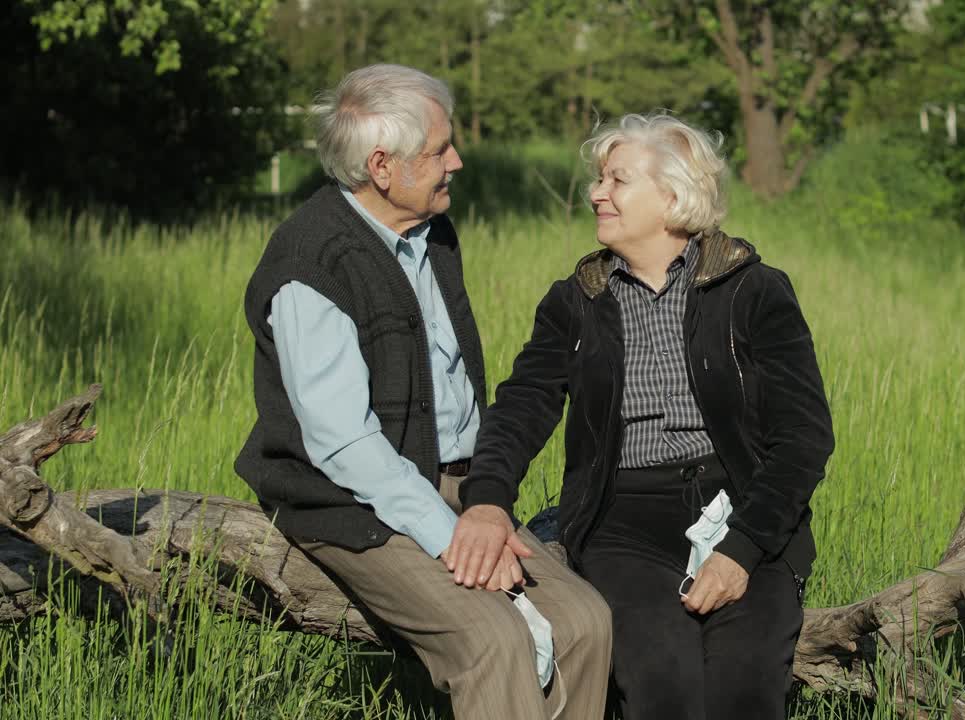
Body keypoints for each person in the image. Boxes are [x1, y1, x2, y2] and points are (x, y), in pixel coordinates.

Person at [234, 63, 611, 720]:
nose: (457, 161)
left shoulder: (433, 234)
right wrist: (451, 536)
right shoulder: (311, 261)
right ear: (382, 166)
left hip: (456, 486)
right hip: (346, 502)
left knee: (586, 621)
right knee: (492, 638)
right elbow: (344, 444)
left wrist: (484, 508)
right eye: (440, 149)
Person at [450, 112, 835, 720]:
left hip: (743, 511)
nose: (596, 193)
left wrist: (742, 549)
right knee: (664, 689)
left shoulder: (754, 291)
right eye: (599, 180)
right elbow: (522, 405)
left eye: (617, 180)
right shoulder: (577, 301)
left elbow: (804, 437)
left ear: (673, 195)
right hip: (623, 522)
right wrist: (488, 498)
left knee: (745, 689)